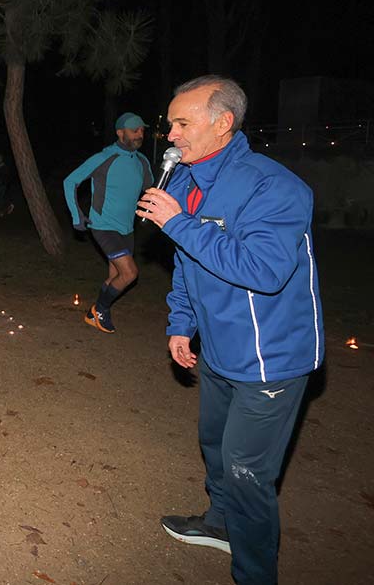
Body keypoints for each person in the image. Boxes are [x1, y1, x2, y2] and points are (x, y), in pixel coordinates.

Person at [137, 76, 324, 585]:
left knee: (247, 474)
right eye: (169, 123)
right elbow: (187, 263)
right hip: (217, 348)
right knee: (216, 445)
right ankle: (218, 525)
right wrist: (182, 323)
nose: (170, 135)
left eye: (182, 123)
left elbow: (263, 271)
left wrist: (179, 224)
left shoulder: (274, 187)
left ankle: (255, 574)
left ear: (222, 124)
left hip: (270, 359)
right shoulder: (183, 182)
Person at [62, 112, 152, 334]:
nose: (140, 134)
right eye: (135, 130)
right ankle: (100, 309)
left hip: (127, 228)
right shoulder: (105, 157)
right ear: (120, 133)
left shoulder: (142, 161)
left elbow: (151, 190)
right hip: (103, 226)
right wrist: (77, 215)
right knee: (130, 273)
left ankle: (94, 314)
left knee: (115, 276)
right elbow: (70, 181)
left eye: (142, 130)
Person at [0, 153, 15, 217]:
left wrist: (4, 183)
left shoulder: (4, 166)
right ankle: (8, 206)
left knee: (0, 199)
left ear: (2, 159)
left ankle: (1, 212)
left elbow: (6, 176)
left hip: (2, 185)